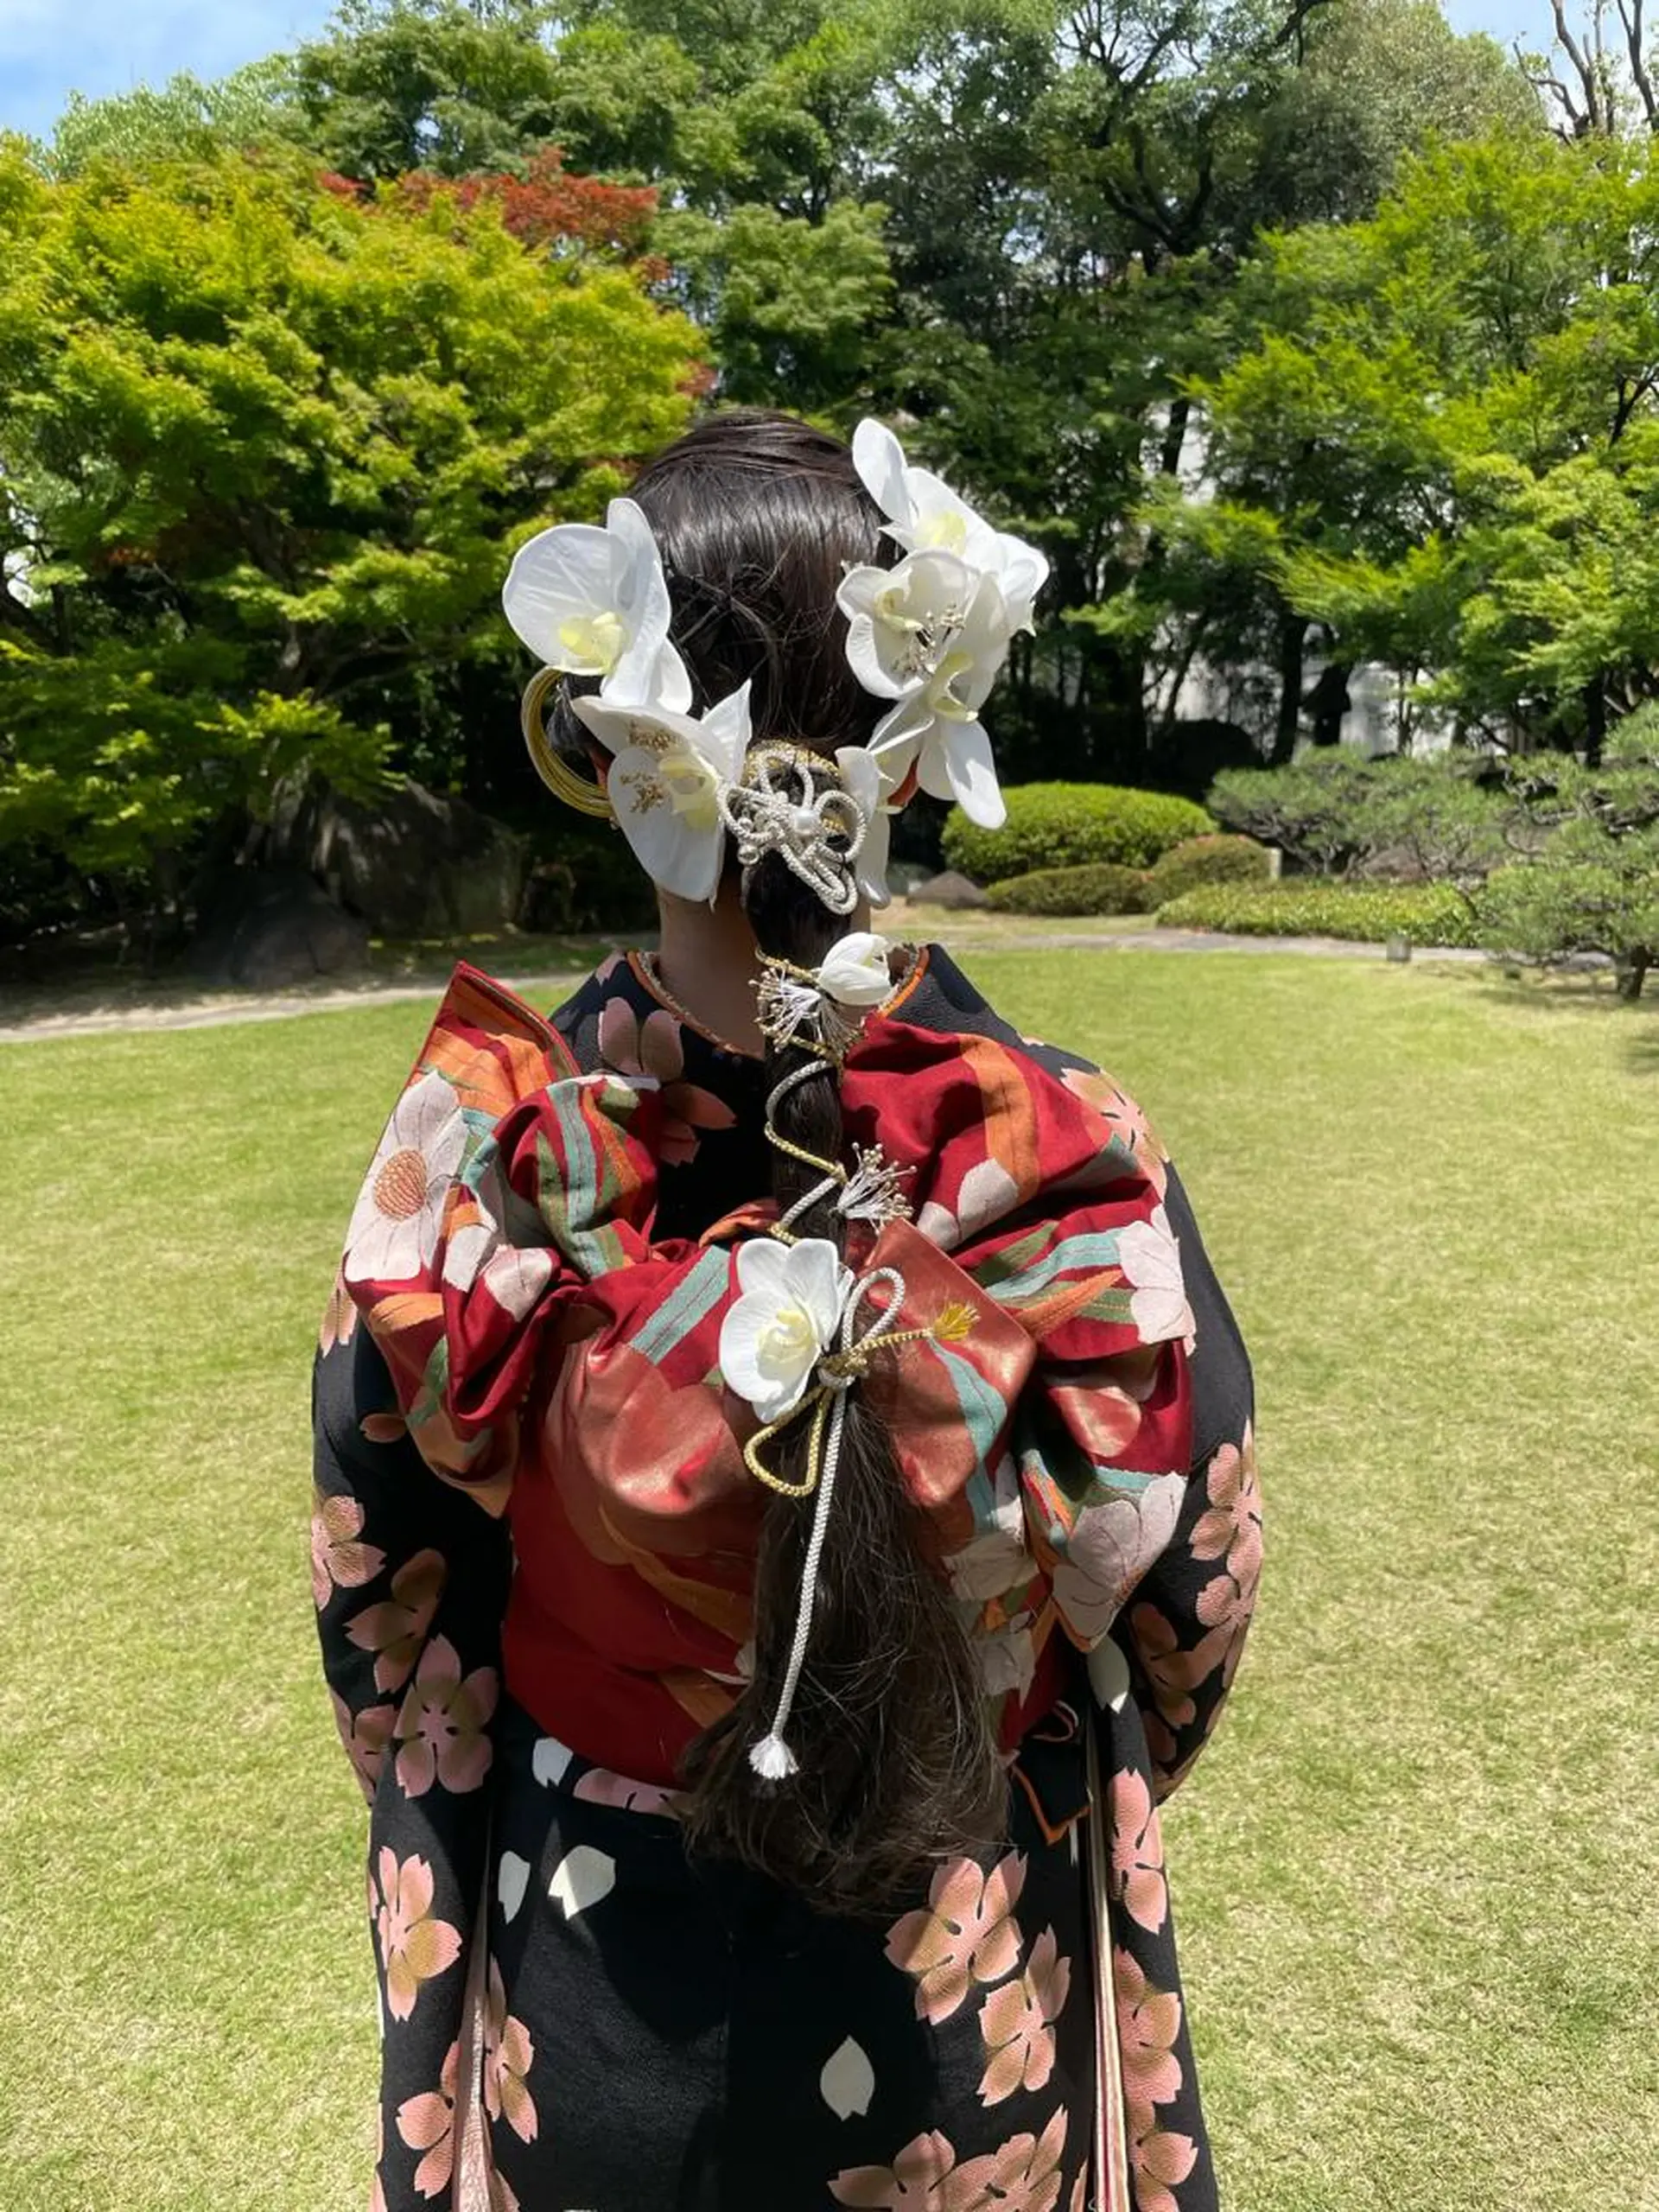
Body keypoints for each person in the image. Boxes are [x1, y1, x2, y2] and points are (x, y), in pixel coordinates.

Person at [312, 410, 1261, 2212]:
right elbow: (1184, 1596)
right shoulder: (1053, 1159)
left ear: (602, 746)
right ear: (915, 742)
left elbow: (389, 1616)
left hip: (595, 1970)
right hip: (954, 1962)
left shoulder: (491, 1159)